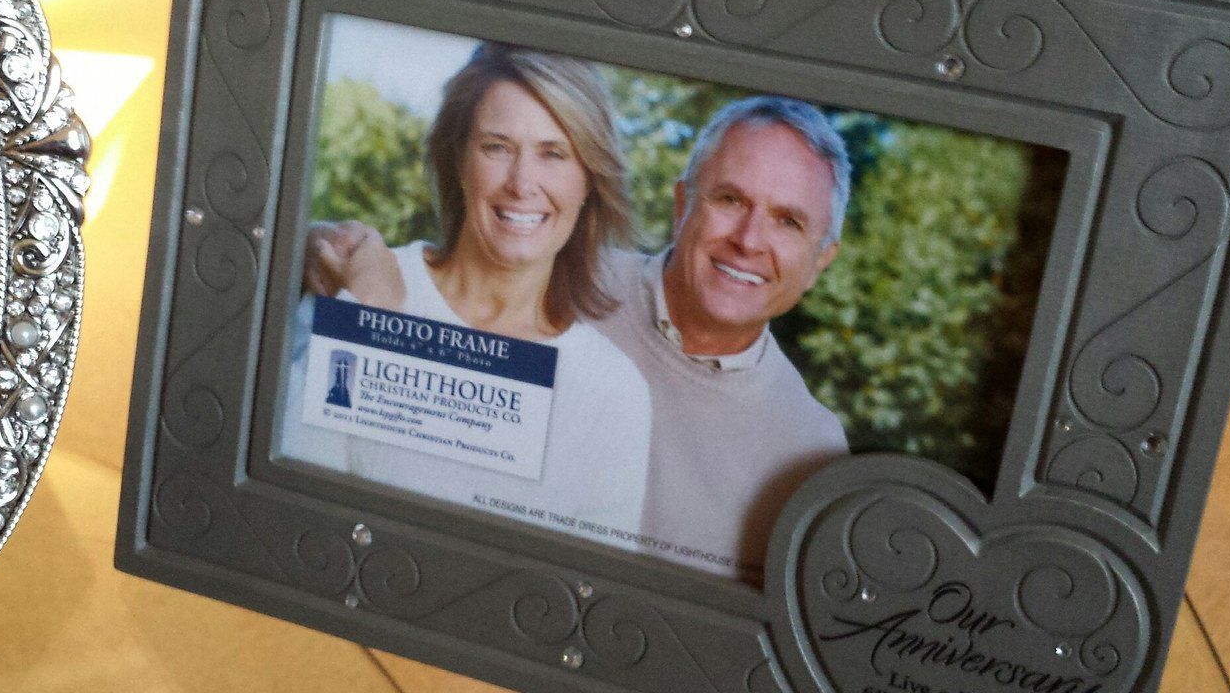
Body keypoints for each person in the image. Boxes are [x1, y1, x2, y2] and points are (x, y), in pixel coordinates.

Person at [309, 94, 852, 584]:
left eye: (788, 222)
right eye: (730, 200)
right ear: (682, 204)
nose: (749, 240)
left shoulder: (810, 449)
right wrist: (316, 251)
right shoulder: (555, 278)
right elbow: (420, 295)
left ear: (821, 260)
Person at [281, 44, 653, 547]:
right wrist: (367, 318)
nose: (522, 183)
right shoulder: (361, 281)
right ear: (459, 161)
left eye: (553, 153)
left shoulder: (612, 392)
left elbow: (589, 580)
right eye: (497, 147)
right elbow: (290, 503)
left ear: (589, 180)